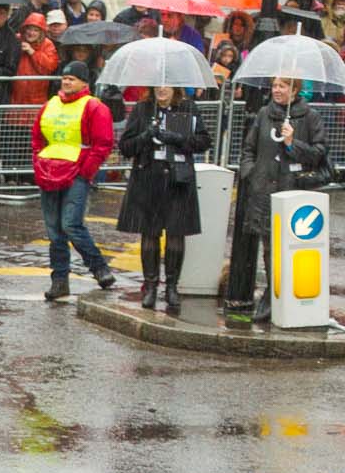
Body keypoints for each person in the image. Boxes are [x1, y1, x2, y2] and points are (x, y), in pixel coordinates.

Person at [229, 76, 330, 323]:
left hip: (293, 190)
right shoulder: (264, 113)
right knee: (269, 246)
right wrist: (251, 173)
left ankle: (277, 296)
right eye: (274, 86)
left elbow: (319, 153)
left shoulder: (310, 117)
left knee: (290, 247)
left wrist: (291, 142)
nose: (276, 90)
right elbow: (249, 149)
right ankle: (272, 296)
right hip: (264, 190)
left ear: (294, 90)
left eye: (282, 86)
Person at [117, 85, 210, 314]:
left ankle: (171, 287)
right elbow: (126, 147)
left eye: (166, 86)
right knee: (149, 233)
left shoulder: (188, 108)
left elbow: (204, 141)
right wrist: (146, 135)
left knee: (176, 235)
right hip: (148, 179)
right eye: (158, 85)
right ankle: (150, 285)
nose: (161, 90)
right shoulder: (142, 109)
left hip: (178, 179)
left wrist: (178, 138)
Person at [34, 60, 117, 302]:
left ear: (84, 82)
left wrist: (85, 171)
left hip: (75, 174)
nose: (67, 80)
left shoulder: (94, 107)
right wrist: (39, 160)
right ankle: (60, 281)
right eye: (65, 77)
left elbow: (103, 144)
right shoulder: (51, 104)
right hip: (49, 171)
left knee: (71, 225)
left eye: (72, 78)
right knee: (54, 231)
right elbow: (37, 136)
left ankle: (99, 268)